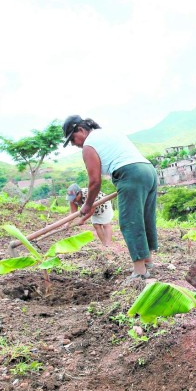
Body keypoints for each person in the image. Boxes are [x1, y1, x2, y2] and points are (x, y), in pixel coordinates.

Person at [62, 115, 158, 280]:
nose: (74, 144)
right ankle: (148, 263)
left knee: (130, 222)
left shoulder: (89, 145)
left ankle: (140, 272)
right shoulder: (108, 133)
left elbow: (94, 181)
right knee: (144, 218)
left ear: (81, 130)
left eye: (73, 139)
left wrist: (87, 205)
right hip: (148, 170)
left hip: (130, 174)